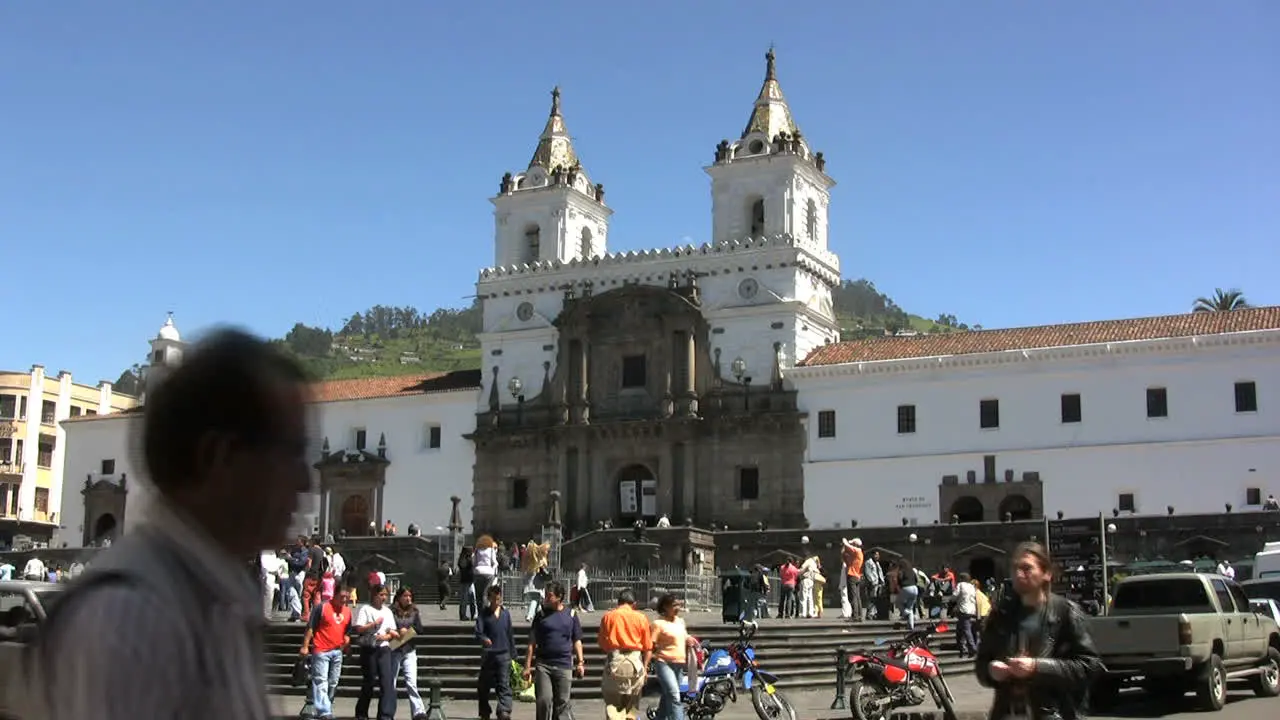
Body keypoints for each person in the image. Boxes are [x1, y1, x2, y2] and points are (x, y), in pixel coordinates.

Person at [29, 329, 312, 720]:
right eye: (291, 451)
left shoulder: (217, 602)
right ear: (220, 455)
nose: (305, 480)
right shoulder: (130, 619)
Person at [975, 542, 1101, 719]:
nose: (1018, 574)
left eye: (1026, 568)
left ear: (1046, 573)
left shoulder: (1065, 612)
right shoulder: (1000, 614)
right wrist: (990, 671)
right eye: (1015, 568)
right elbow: (981, 665)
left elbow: (1089, 666)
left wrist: (1037, 667)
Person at [523, 581, 585, 720]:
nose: (546, 598)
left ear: (559, 597)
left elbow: (577, 640)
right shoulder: (540, 616)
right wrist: (527, 666)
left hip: (564, 664)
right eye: (545, 595)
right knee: (544, 700)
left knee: (562, 703)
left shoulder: (571, 615)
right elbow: (532, 642)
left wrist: (580, 662)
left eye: (549, 595)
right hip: (544, 665)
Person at [299, 581, 353, 720]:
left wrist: (347, 642)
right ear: (334, 594)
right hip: (321, 649)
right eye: (342, 596)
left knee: (333, 681)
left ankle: (325, 705)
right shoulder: (322, 607)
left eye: (347, 597)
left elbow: (347, 631)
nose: (344, 599)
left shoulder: (347, 611)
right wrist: (305, 646)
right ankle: (324, 711)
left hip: (337, 651)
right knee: (321, 680)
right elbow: (311, 627)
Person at [597, 589, 652, 720]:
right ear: (634, 604)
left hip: (615, 661)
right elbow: (648, 647)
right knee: (631, 708)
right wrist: (645, 668)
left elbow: (602, 644)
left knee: (613, 705)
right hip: (635, 663)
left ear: (618, 602)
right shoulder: (641, 618)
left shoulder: (608, 617)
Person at [354, 584, 401, 720]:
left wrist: (385, 637)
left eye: (385, 595)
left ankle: (385, 715)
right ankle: (362, 713)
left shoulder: (387, 612)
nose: (384, 598)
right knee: (369, 681)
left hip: (384, 648)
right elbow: (359, 629)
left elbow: (392, 632)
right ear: (374, 595)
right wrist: (373, 625)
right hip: (369, 648)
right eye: (381, 595)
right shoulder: (366, 609)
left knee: (387, 682)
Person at [476, 585, 516, 720]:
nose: (496, 601)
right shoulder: (484, 614)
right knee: (483, 685)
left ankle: (504, 710)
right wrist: (484, 639)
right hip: (489, 655)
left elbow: (510, 634)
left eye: (498, 599)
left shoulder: (505, 614)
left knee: (504, 684)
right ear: (489, 598)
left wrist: (513, 654)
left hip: (504, 654)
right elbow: (478, 632)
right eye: (493, 599)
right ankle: (484, 710)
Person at [650, 594, 693, 720]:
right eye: (674, 605)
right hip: (664, 663)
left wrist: (690, 639)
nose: (677, 608)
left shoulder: (680, 621)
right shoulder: (658, 623)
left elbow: (684, 636)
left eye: (678, 604)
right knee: (675, 696)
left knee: (667, 695)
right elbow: (651, 644)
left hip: (679, 663)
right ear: (665, 607)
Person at [391, 587, 428, 720]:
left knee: (411, 682)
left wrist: (408, 631)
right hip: (394, 648)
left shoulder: (414, 611)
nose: (408, 599)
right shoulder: (391, 611)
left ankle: (418, 711)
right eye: (405, 596)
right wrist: (397, 631)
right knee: (391, 682)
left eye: (410, 596)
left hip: (409, 649)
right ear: (399, 597)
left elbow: (420, 628)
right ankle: (389, 710)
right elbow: (388, 626)